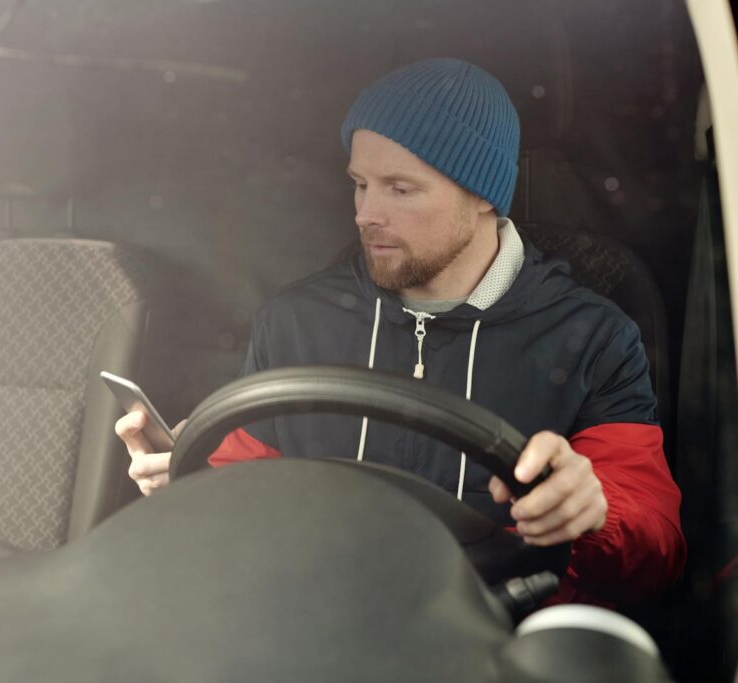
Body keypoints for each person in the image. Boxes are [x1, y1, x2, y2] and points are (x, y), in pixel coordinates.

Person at [115, 58, 685, 605]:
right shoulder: (295, 321)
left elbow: (657, 546)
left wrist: (595, 511)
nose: (366, 213)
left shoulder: (592, 337)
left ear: (482, 194)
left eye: (400, 188)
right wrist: (189, 476)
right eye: (360, 183)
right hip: (317, 620)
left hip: (498, 637)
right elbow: (248, 492)